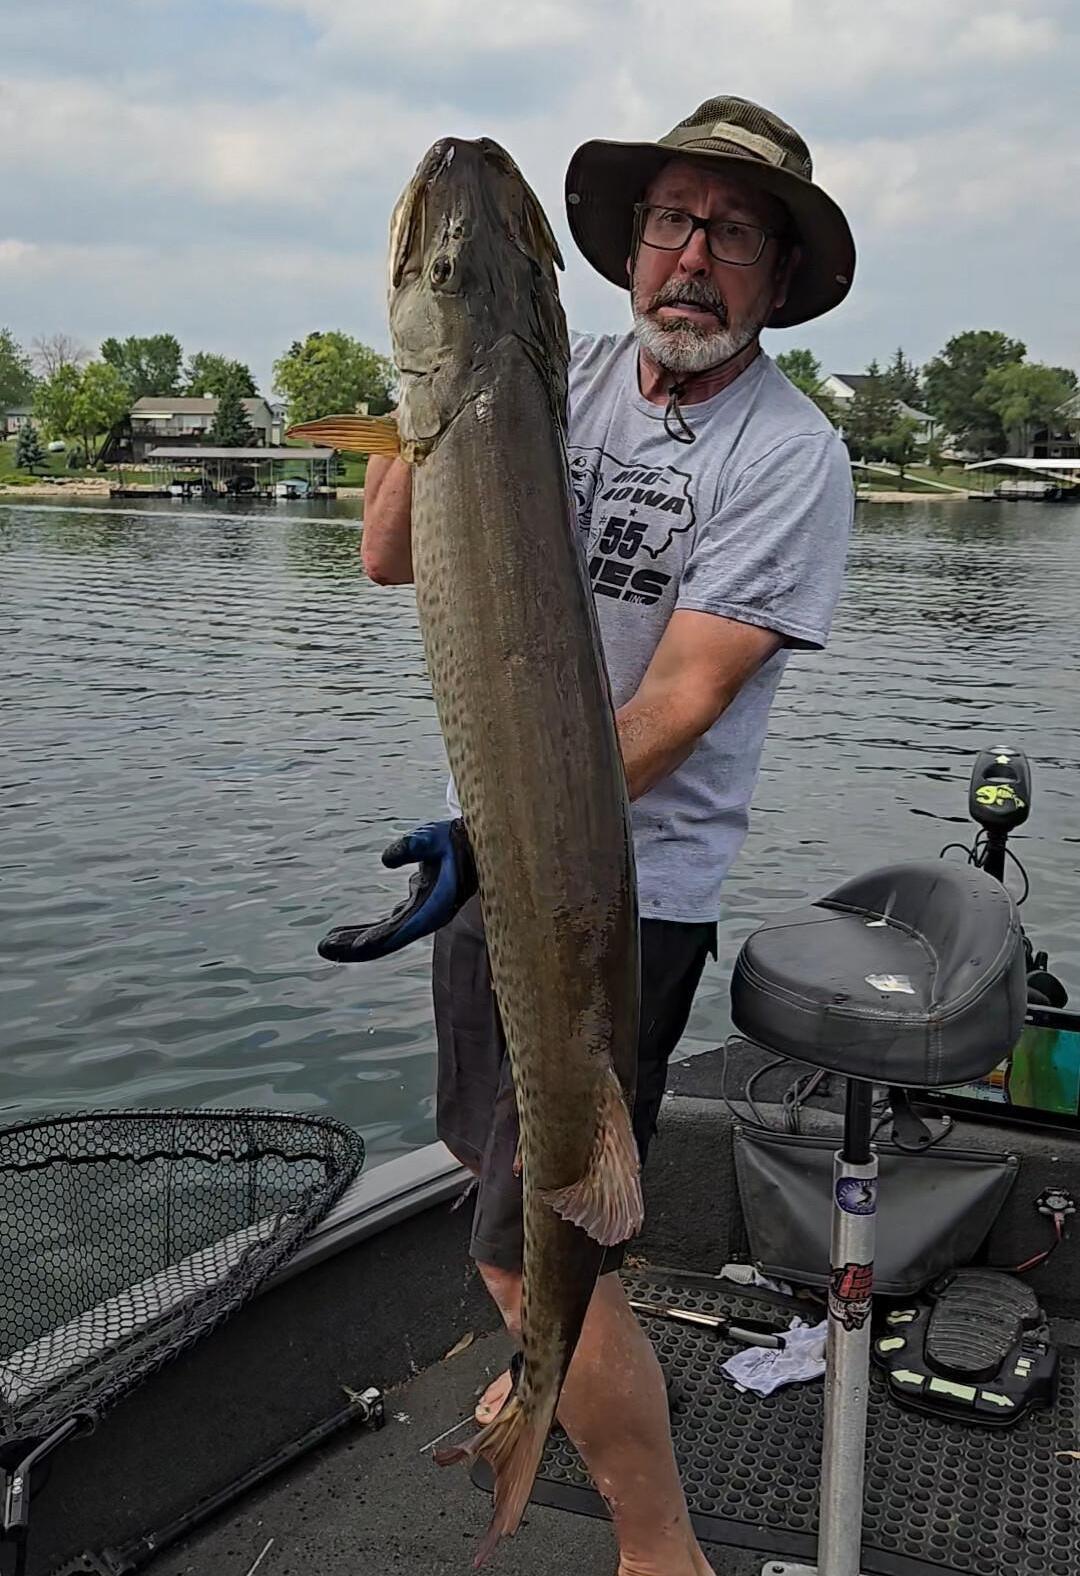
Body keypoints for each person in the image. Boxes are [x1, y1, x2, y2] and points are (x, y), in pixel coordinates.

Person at [350, 94, 855, 1576]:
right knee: (483, 1155)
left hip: (616, 895)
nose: (694, 257)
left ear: (777, 277)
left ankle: (658, 1544)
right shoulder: (549, 375)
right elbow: (391, 555)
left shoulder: (788, 457)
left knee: (537, 1226)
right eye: (672, 223)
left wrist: (492, 833)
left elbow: (682, 704)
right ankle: (543, 1360)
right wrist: (416, 388)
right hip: (490, 853)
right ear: (630, 248)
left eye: (734, 233)